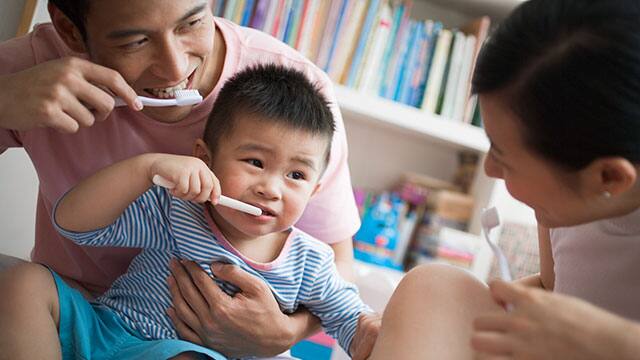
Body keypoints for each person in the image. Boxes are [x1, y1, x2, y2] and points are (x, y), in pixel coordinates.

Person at [0, 1, 371, 357]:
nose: (175, 68)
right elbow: (76, 225)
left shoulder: (300, 99)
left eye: (192, 22)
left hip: (189, 348)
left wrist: (283, 333)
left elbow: (344, 292)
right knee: (21, 282)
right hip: (91, 319)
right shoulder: (179, 213)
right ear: (70, 30)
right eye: (135, 41)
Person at [366, 0, 640, 358]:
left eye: (503, 157)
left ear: (607, 177)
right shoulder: (565, 206)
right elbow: (549, 287)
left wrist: (610, 341)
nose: (490, 170)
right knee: (436, 288)